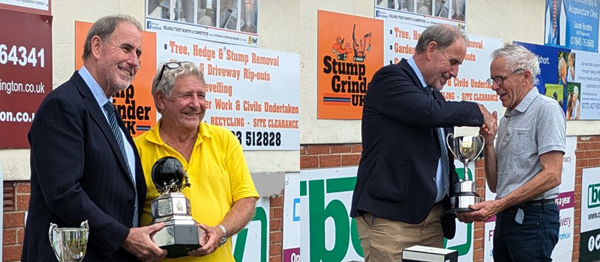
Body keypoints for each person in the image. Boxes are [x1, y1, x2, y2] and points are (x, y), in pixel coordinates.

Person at [22, 15, 167, 261]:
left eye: (139, 53)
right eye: (126, 48)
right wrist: (124, 237)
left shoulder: (108, 111)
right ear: (97, 47)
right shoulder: (63, 105)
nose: (134, 61)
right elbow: (64, 193)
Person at [349, 24, 497, 262]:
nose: (455, 72)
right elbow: (427, 112)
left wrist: (458, 201)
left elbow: (440, 160)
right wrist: (477, 111)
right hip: (392, 223)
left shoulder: (435, 98)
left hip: (432, 222)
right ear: (431, 49)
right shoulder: (390, 79)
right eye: (453, 62)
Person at [135, 61, 259, 261]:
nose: (196, 104)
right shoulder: (136, 150)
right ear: (160, 100)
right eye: (186, 95)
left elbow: (246, 200)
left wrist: (220, 231)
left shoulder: (224, 140)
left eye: (201, 95)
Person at [457, 43, 566, 261]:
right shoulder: (508, 115)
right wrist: (489, 143)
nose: (494, 87)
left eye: (500, 79)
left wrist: (498, 204)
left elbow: (553, 174)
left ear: (525, 76)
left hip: (534, 219)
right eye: (493, 80)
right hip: (508, 216)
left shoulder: (547, 109)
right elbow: (496, 184)